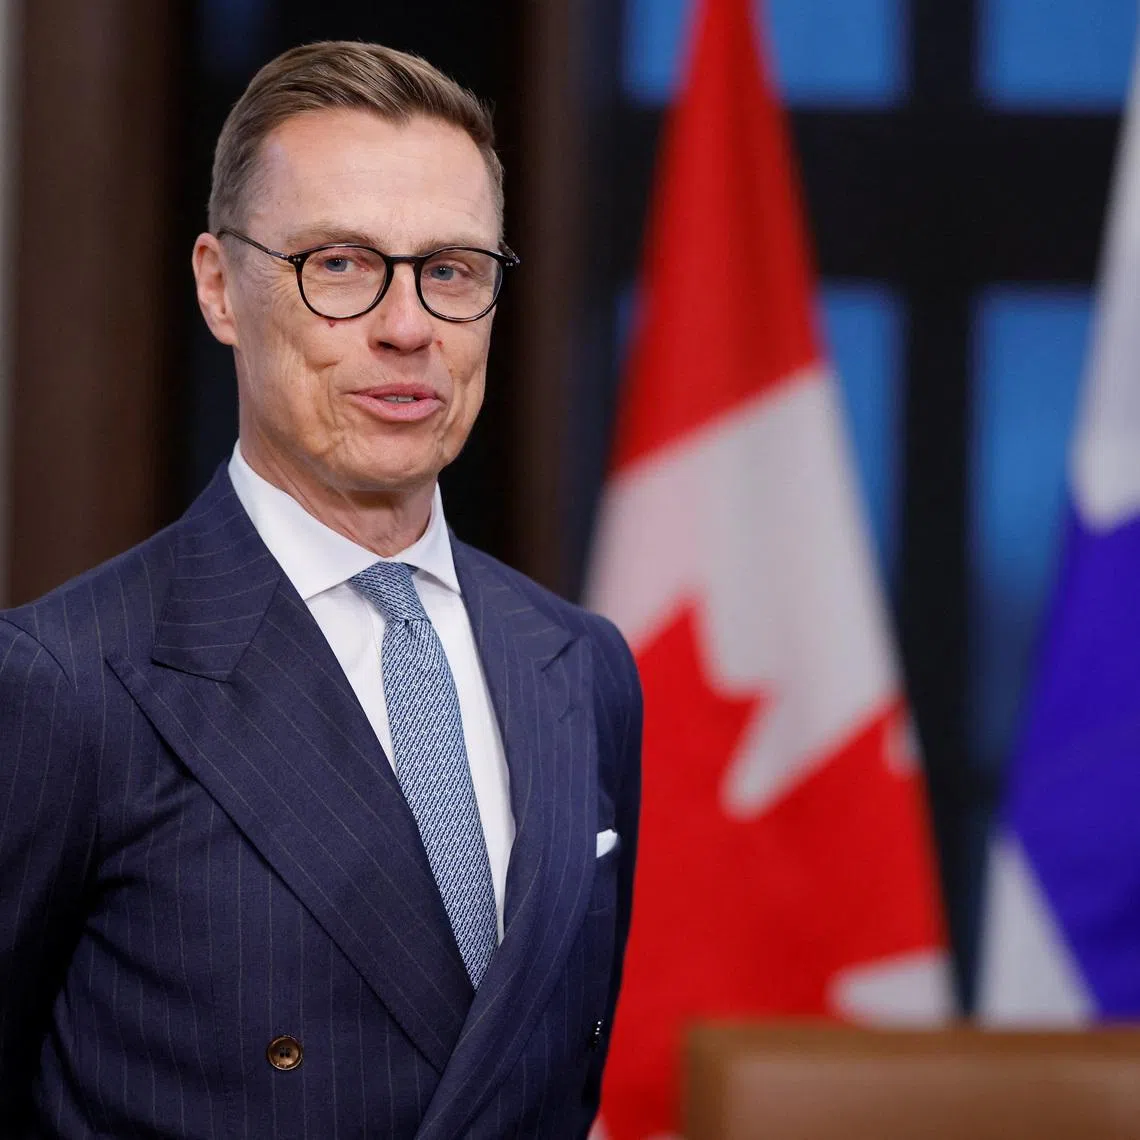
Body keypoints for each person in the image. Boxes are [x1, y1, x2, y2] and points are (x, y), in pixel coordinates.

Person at [0, 41, 640, 1139]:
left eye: (451, 269)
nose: (407, 327)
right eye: (340, 265)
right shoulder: (66, 681)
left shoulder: (580, 665)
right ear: (219, 287)